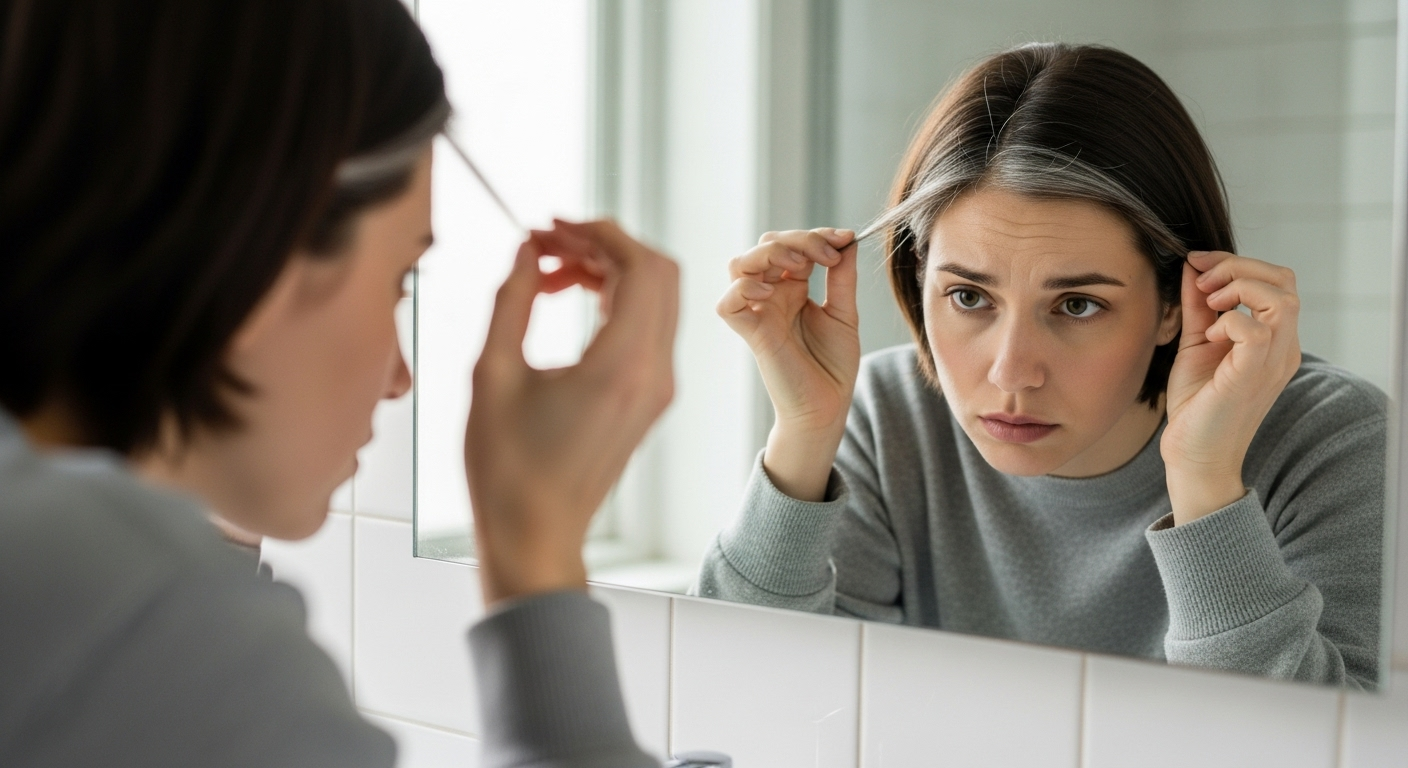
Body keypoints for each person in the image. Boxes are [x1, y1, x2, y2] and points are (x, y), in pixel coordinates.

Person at [0, 0, 673, 765]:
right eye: (400, 280)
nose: (400, 377)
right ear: (263, 259)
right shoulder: (156, 640)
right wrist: (536, 549)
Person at [698, 43, 1385, 689]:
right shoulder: (885, 416)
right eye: (968, 296)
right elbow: (748, 695)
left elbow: (1322, 747)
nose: (1011, 373)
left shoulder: (1330, 440)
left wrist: (1206, 483)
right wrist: (803, 433)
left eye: (1078, 305)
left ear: (1177, 304)